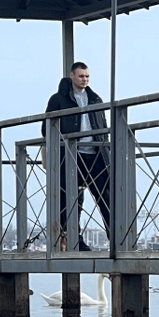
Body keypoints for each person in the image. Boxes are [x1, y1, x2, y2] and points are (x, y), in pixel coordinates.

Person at [43, 62, 109, 251]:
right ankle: (73, 240)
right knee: (71, 198)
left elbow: (103, 126)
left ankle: (118, 240)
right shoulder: (58, 100)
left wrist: (105, 147)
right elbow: (46, 128)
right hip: (71, 154)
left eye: (87, 76)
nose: (85, 80)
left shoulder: (96, 99)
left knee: (105, 196)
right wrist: (59, 147)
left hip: (96, 154)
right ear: (72, 76)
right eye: (81, 76)